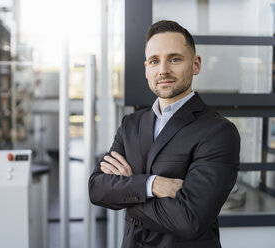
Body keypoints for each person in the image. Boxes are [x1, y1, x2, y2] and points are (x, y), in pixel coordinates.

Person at [88, 20, 240, 248]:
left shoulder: (218, 132)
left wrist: (127, 192)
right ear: (146, 69)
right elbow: (97, 188)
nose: (163, 70)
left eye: (175, 59)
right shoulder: (131, 124)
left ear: (196, 64)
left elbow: (189, 219)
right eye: (154, 61)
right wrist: (152, 185)